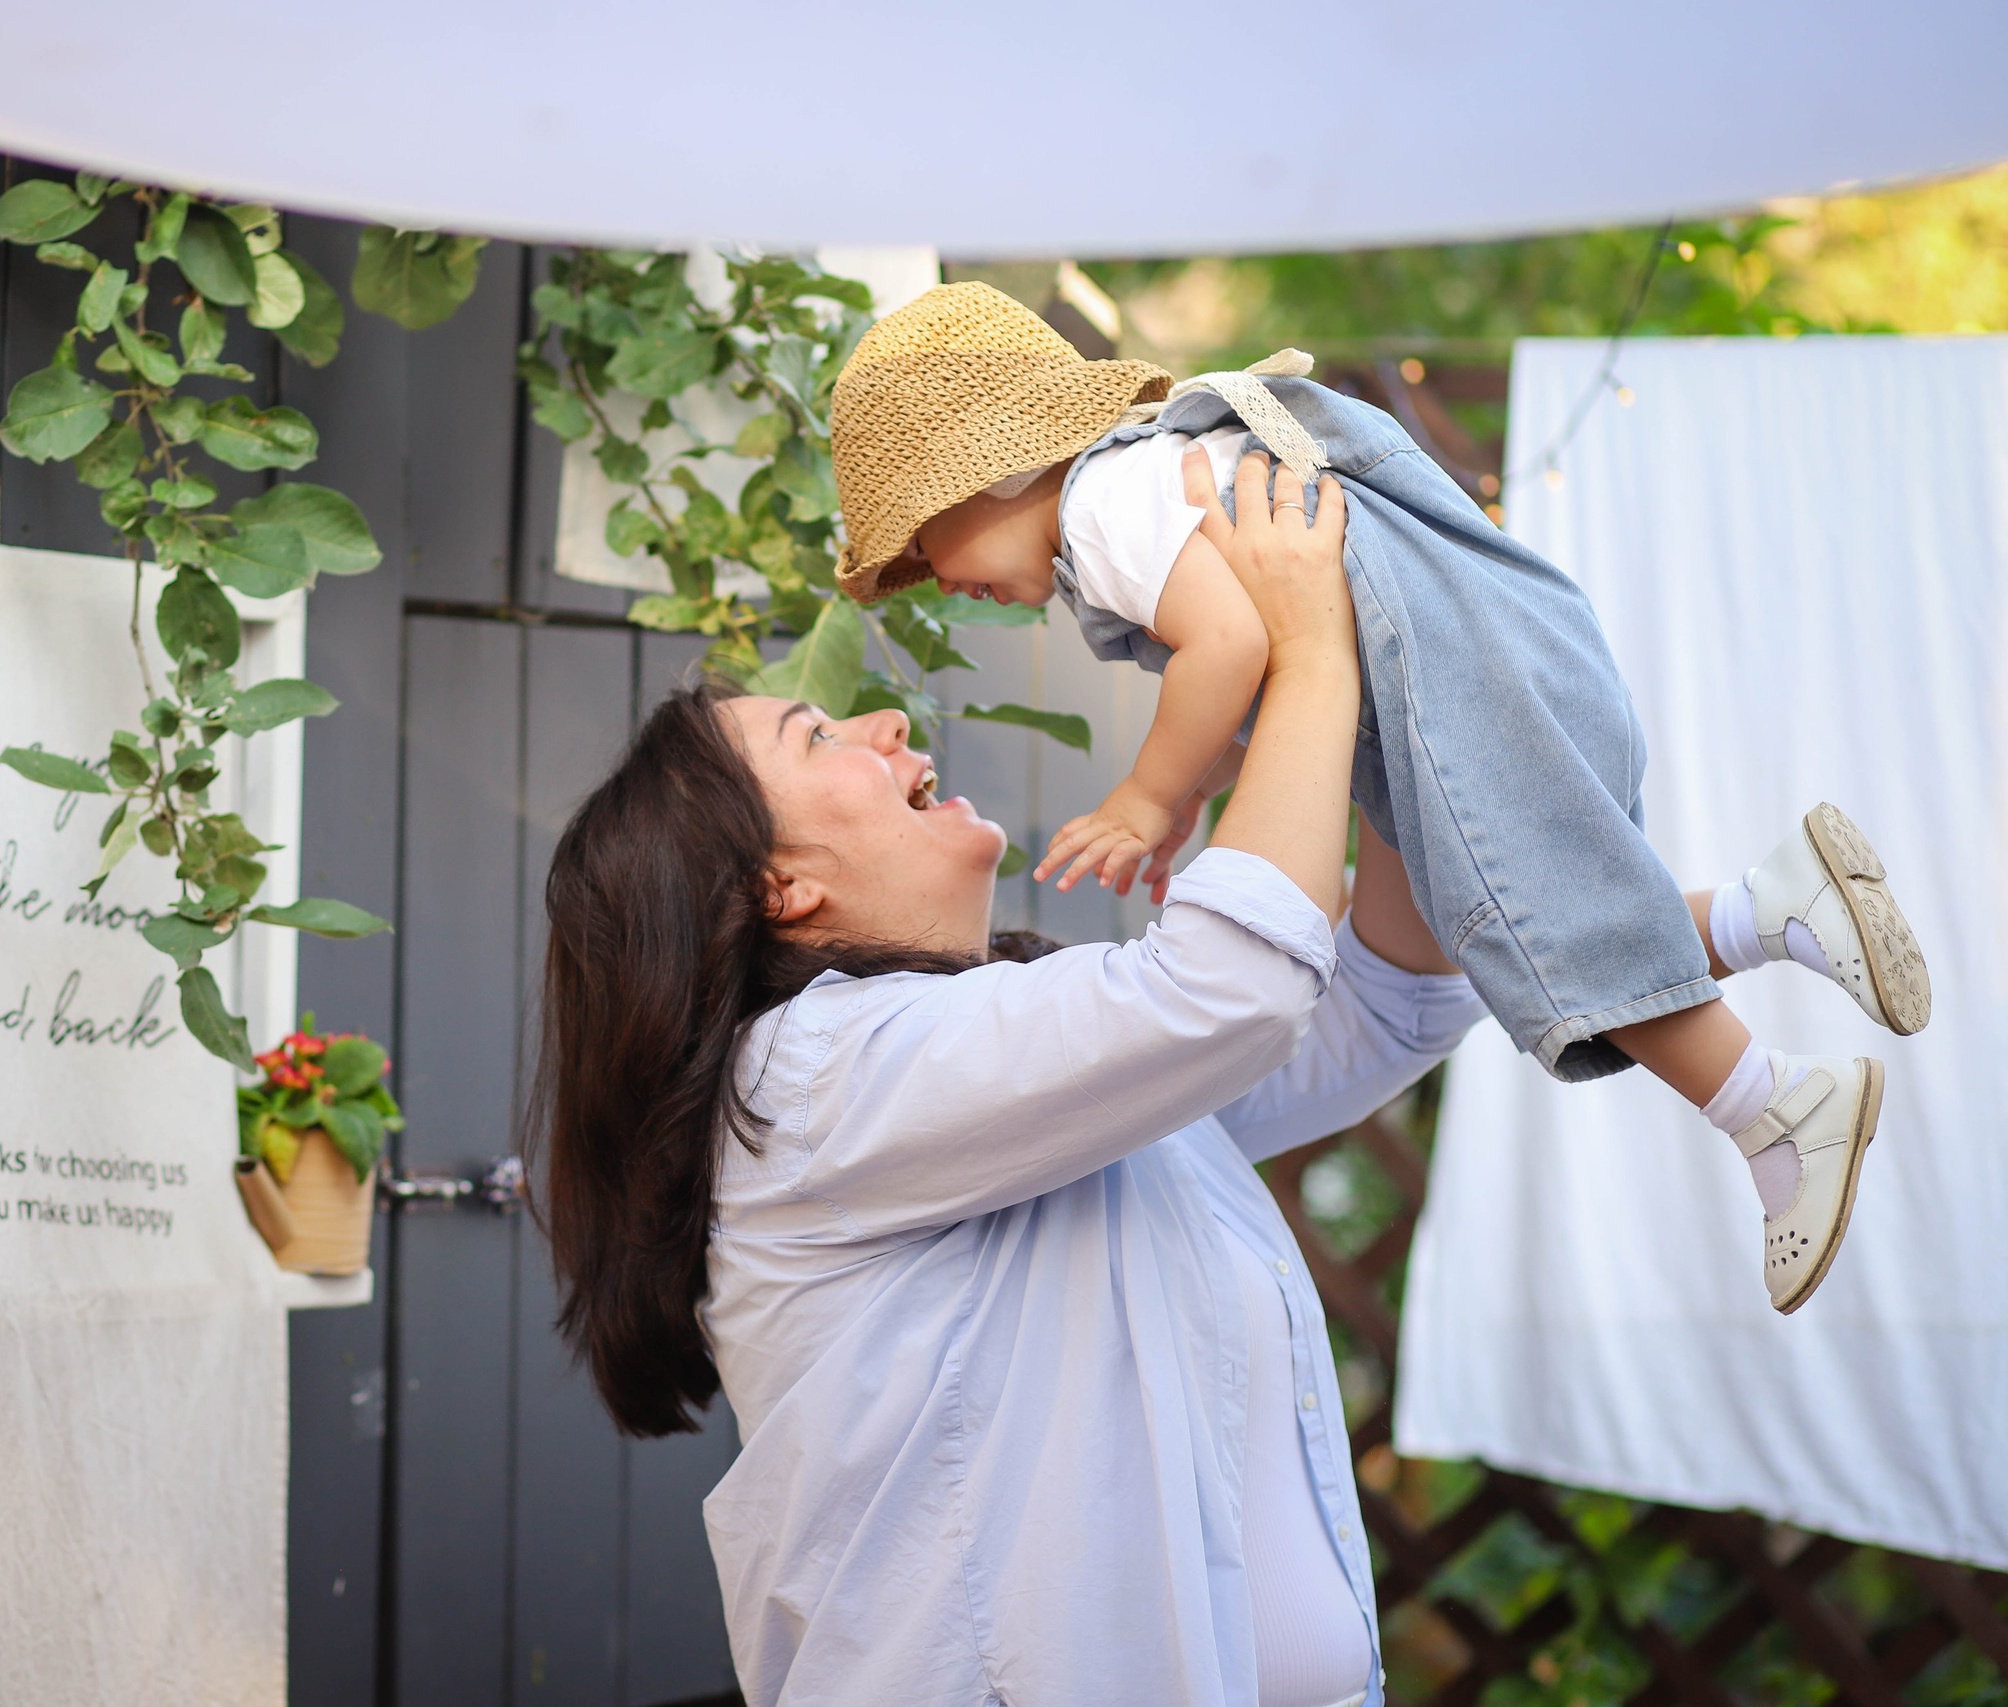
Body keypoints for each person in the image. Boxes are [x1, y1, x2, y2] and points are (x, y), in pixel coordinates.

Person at [533, 463, 1459, 1704]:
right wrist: (1311, 653)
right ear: (779, 887)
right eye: (821, 738)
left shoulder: (1011, 1066)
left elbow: (1374, 1006)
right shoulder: (811, 1077)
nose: (888, 729)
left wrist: (1362, 730)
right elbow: (1234, 987)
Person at [825, 281, 1931, 1313]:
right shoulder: (1139, 481)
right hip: (1468, 653)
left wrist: (1145, 798)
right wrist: (1193, 794)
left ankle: (1772, 1107)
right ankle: (1773, 908)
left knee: (1536, 921)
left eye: (923, 532)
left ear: (1002, 469)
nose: (932, 569)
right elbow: (1249, 667)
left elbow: (1230, 642)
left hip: (1440, 675)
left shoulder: (1102, 507)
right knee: (1499, 918)